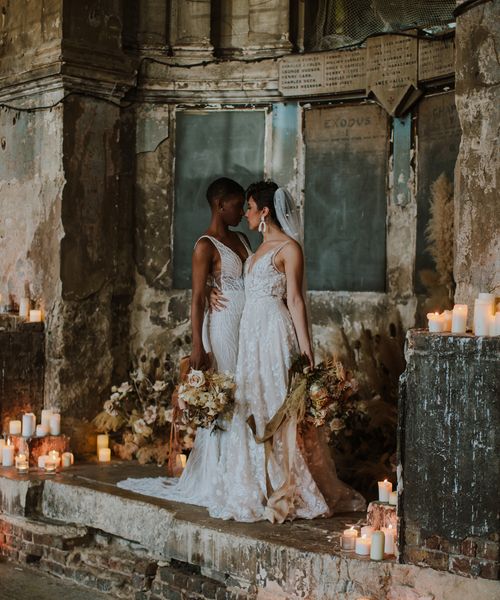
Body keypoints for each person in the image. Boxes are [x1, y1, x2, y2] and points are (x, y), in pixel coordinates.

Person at [208, 180, 365, 522]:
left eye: (249, 208)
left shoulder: (289, 249)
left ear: (264, 212)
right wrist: (210, 292)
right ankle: (258, 485)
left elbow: (294, 299)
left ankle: (289, 484)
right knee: (253, 400)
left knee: (279, 400)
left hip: (275, 331)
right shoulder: (254, 251)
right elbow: (233, 284)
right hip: (250, 333)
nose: (245, 214)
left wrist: (307, 350)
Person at [117, 177, 251, 506]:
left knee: (246, 390)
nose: (241, 211)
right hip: (220, 328)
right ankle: (218, 476)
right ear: (220, 205)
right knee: (226, 394)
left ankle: (245, 472)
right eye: (237, 205)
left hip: (247, 325)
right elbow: (195, 299)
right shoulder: (205, 245)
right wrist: (197, 347)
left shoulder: (243, 238)